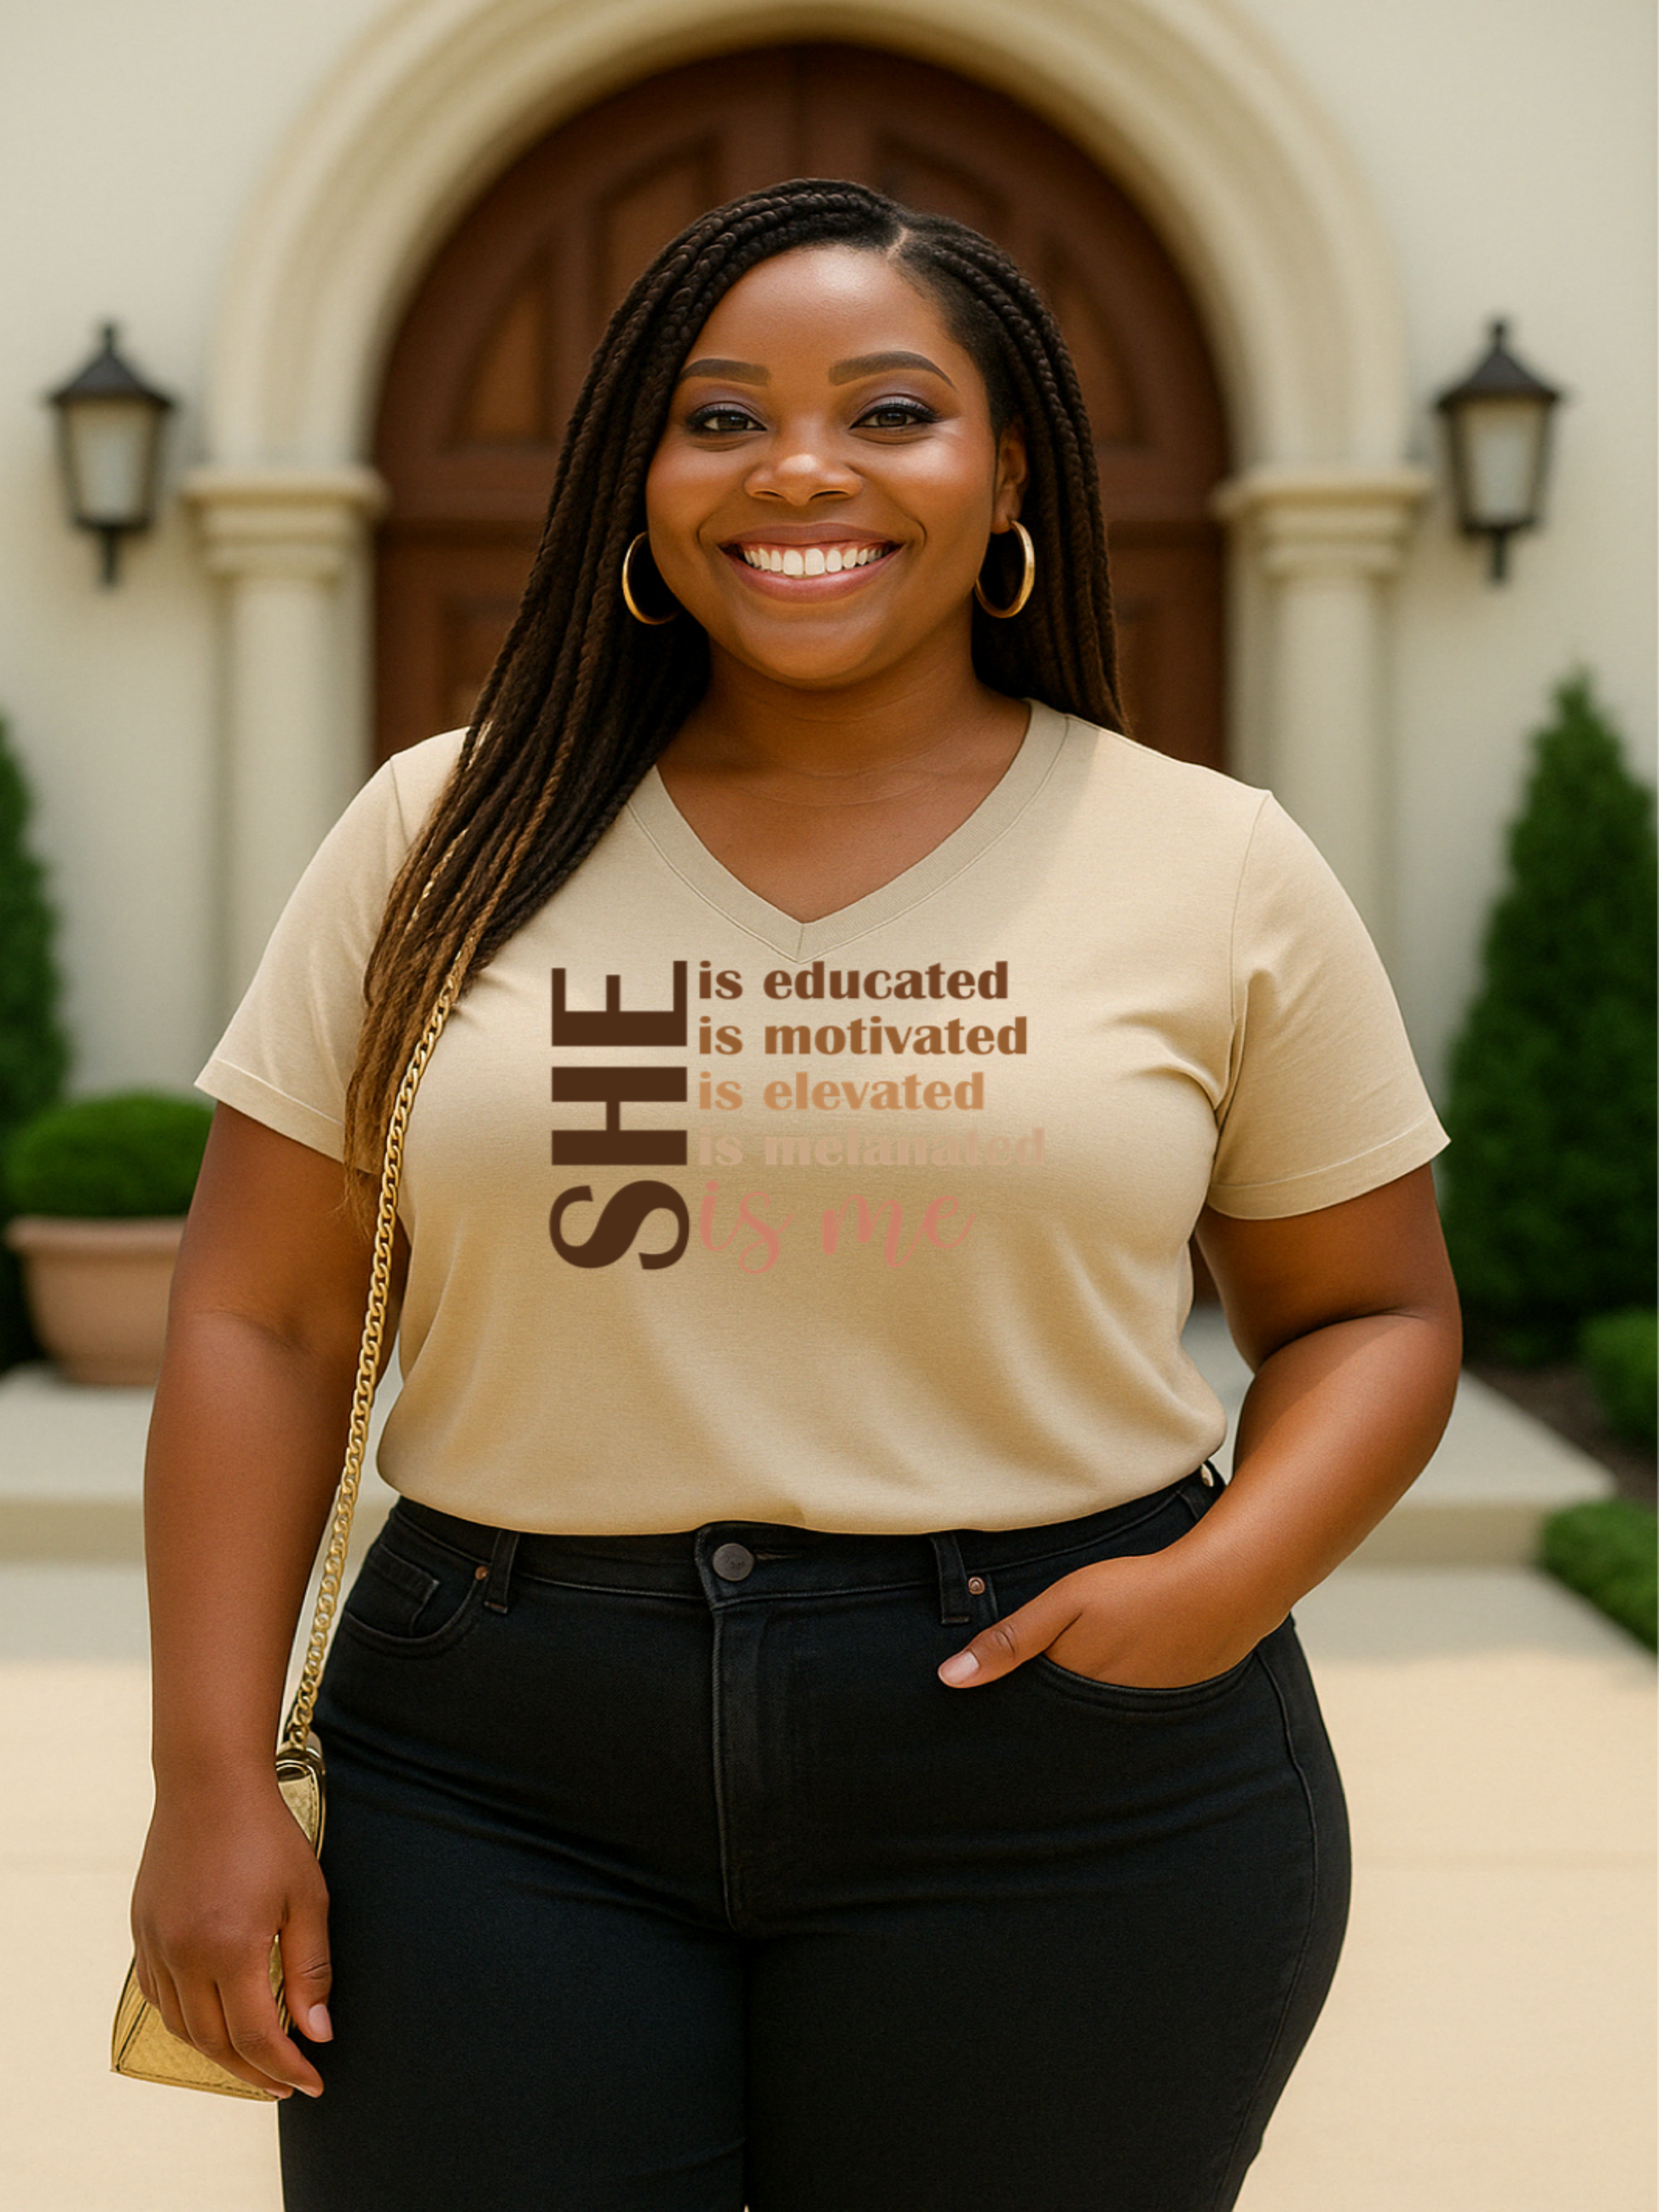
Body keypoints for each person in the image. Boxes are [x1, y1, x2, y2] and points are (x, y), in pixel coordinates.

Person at [130, 179, 1461, 2212]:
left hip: (1061, 1768)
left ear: (1009, 468)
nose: (801, 471)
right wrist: (209, 1780)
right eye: (723, 413)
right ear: (637, 479)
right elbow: (264, 1316)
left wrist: (1226, 1579)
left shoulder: (1213, 862)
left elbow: (1366, 1311)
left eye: (892, 411)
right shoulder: (441, 828)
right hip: (496, 1768)